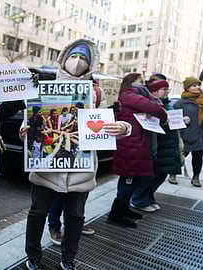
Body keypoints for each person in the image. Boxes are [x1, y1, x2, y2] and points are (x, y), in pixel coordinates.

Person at [20, 39, 132, 270]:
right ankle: (32, 256)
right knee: (37, 213)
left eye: (83, 58)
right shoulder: (43, 87)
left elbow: (105, 124)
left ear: (90, 64)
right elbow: (30, 123)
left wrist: (122, 128)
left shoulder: (95, 93)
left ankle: (68, 259)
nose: (78, 62)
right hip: (45, 169)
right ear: (63, 58)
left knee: (75, 217)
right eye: (74, 56)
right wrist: (24, 131)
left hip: (80, 170)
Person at [108, 73, 167, 228]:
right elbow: (157, 109)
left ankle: (123, 209)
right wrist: (157, 109)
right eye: (140, 82)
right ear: (131, 83)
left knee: (128, 179)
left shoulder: (129, 96)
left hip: (133, 144)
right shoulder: (130, 95)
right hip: (132, 146)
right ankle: (116, 214)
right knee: (130, 179)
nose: (144, 85)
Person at [130, 80, 182, 212]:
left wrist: (182, 121)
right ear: (153, 91)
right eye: (164, 89)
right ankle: (139, 199)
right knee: (151, 175)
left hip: (167, 144)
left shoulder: (167, 103)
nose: (166, 92)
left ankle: (148, 197)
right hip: (158, 144)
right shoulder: (150, 105)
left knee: (161, 174)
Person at [173, 76, 203, 187]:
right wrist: (182, 120)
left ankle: (196, 177)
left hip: (202, 134)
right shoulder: (181, 102)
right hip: (187, 134)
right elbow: (174, 119)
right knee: (181, 155)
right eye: (194, 85)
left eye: (198, 85)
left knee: (198, 157)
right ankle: (173, 173)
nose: (197, 87)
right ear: (187, 88)